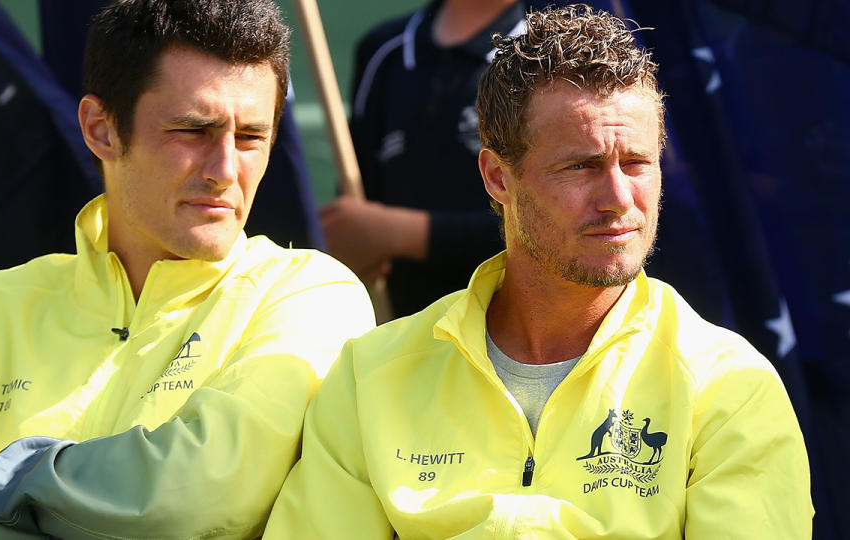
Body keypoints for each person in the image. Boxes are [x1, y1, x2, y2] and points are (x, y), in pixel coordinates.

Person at [263, 5, 812, 538]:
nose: (619, 198)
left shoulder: (731, 386)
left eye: (639, 163)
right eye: (582, 165)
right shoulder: (369, 377)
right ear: (498, 177)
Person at [0, 0, 375, 538]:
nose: (224, 170)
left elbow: (195, 497)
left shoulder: (312, 296)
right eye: (193, 130)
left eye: (250, 137)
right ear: (100, 129)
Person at [321, 0, 525, 317]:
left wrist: (398, 233)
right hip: (400, 332)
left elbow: (552, 225)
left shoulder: (544, 55)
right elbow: (357, 216)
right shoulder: (384, 51)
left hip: (515, 332)